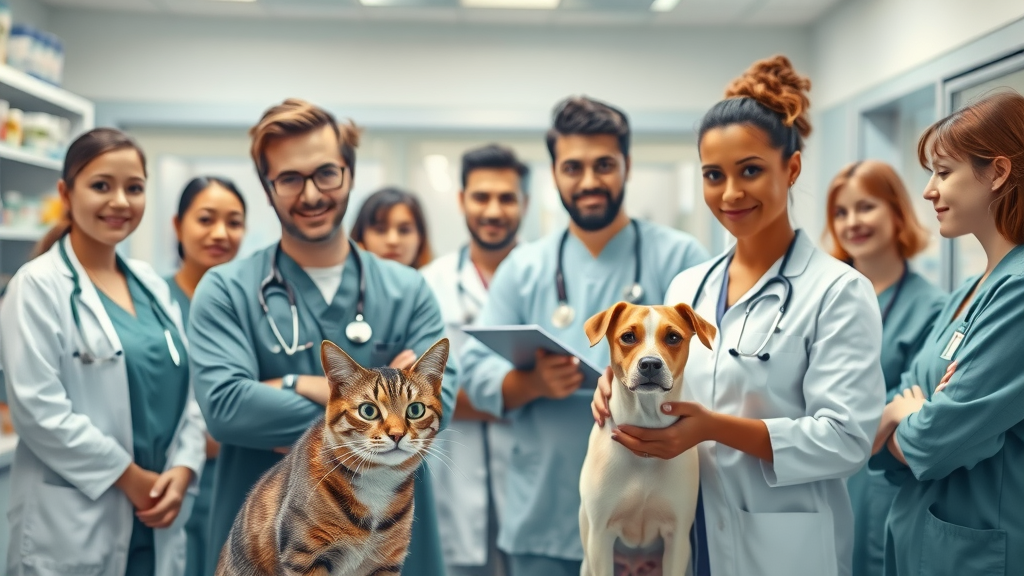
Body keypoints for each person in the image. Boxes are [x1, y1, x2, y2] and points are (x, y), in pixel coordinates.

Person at [592, 56, 885, 576]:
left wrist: (714, 429)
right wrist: (620, 384)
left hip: (783, 544)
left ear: (791, 169)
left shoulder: (838, 291)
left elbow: (847, 440)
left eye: (751, 170)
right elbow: (671, 385)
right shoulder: (689, 286)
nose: (730, 193)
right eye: (713, 175)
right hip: (691, 535)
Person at [186, 98, 457, 576]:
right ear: (268, 190)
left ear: (349, 173)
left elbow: (442, 402)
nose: (311, 194)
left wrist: (281, 391)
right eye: (289, 178)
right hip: (271, 551)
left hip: (387, 545)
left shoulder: (408, 289)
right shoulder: (226, 289)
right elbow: (227, 409)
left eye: (326, 173)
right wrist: (317, 391)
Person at [460, 96, 709, 576]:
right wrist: (532, 383)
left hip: (659, 522)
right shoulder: (523, 268)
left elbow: (716, 362)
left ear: (627, 166)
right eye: (573, 167)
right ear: (554, 172)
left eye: (604, 165)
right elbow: (473, 370)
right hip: (544, 514)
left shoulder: (681, 257)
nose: (590, 181)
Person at [0, 128, 207, 576]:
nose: (120, 201)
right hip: (79, 516)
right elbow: (37, 410)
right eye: (101, 186)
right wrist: (132, 480)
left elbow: (194, 393)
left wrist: (186, 468)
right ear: (65, 193)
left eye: (134, 188)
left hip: (158, 513)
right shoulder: (36, 286)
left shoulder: (152, 285)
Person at [871, 90, 1024, 576]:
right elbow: (904, 393)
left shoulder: (1018, 293)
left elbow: (936, 439)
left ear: (997, 173)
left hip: (978, 550)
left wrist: (912, 419)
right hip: (924, 540)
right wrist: (905, 410)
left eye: (943, 172)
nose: (928, 191)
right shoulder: (968, 290)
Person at [823, 160, 945, 576]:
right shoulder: (823, 298)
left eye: (865, 207)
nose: (852, 222)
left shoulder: (931, 306)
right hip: (813, 471)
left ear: (896, 212)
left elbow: (919, 405)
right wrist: (887, 411)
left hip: (880, 481)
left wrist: (891, 414)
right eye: (841, 213)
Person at [419, 143, 529, 576]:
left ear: (525, 203)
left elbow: (568, 384)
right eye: (482, 197)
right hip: (453, 477)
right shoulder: (430, 284)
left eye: (506, 198)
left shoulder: (546, 279)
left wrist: (467, 398)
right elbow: (418, 396)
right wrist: (517, 394)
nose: (494, 210)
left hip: (532, 479)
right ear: (462, 200)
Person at [166, 176, 248, 576]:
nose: (221, 233)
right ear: (177, 224)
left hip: (235, 478)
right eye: (205, 219)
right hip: (168, 477)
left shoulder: (252, 310)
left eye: (234, 222)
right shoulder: (156, 303)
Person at [352, 186, 433, 269]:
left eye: (404, 230)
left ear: (421, 237)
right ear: (360, 236)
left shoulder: (435, 279)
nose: (393, 241)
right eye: (380, 230)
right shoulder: (344, 280)